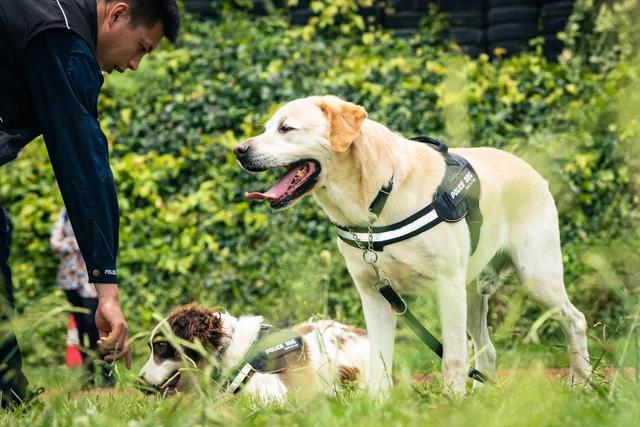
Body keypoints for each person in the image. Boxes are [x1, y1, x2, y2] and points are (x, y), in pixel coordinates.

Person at [0, 0, 180, 408]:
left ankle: (6, 392)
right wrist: (108, 294)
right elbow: (83, 164)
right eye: (141, 48)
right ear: (116, 14)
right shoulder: (61, 34)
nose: (135, 64)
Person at [51, 208, 113, 387]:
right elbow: (54, 244)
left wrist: (69, 243)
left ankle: (107, 373)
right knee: (80, 327)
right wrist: (73, 242)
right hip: (70, 280)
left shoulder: (89, 211)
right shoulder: (63, 216)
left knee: (95, 325)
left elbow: (96, 241)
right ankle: (89, 375)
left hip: (90, 280)